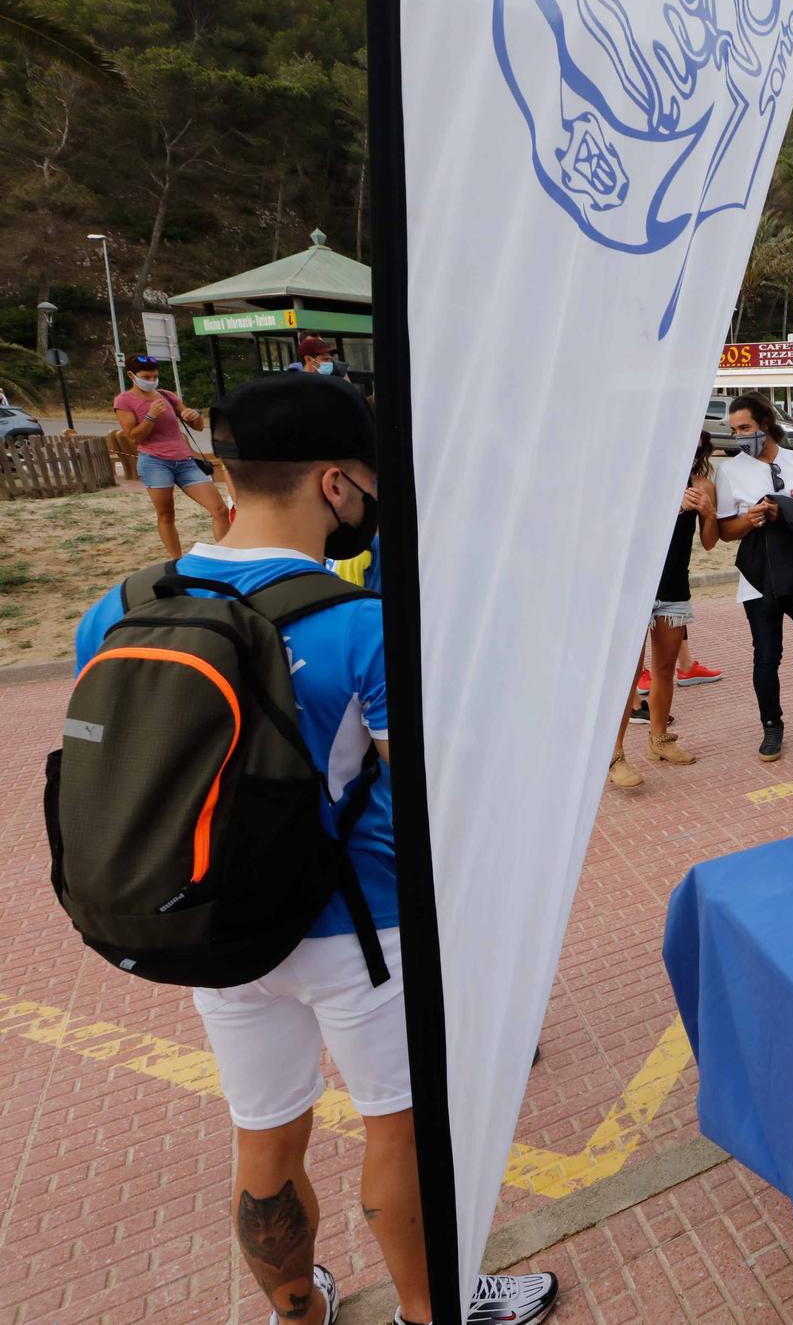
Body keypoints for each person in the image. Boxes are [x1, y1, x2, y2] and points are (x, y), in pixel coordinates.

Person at [72, 375, 557, 1325]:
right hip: (358, 927)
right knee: (399, 1129)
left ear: (230, 469)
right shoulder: (361, 624)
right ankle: (433, 1309)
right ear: (336, 484)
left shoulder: (121, 605)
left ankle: (298, 1310)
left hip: (211, 920)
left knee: (265, 1140)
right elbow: (428, 789)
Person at [714, 392, 793, 762]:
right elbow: (725, 531)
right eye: (735, 430)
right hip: (758, 579)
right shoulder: (730, 471)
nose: (740, 436)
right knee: (766, 657)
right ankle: (772, 724)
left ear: (765, 424)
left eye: (745, 428)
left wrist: (787, 510)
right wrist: (750, 519)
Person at [610, 434, 719, 787]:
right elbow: (620, 527)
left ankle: (659, 739)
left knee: (665, 667)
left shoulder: (701, 484)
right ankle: (614, 756)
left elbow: (709, 541)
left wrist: (708, 512)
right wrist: (673, 507)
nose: (690, 453)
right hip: (633, 589)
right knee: (627, 672)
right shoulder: (640, 479)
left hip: (673, 589)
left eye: (697, 448)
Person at [113, 354, 230, 557]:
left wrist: (194, 417)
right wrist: (150, 416)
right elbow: (133, 436)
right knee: (166, 515)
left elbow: (198, 426)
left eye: (155, 376)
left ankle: (228, 554)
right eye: (146, 377)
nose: (151, 381)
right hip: (154, 462)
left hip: (184, 460)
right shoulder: (124, 400)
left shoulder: (166, 395)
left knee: (219, 509)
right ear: (132, 375)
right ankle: (176, 561)